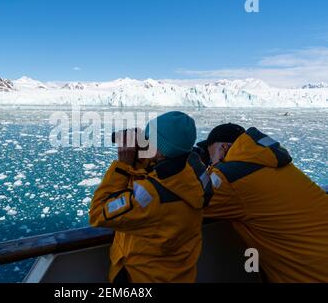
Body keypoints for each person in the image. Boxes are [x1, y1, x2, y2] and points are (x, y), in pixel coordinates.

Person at [89, 111, 213, 283]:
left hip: (142, 278)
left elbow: (97, 213)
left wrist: (123, 165)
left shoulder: (152, 195)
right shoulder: (193, 170)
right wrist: (145, 156)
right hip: (179, 275)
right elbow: (161, 172)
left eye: (149, 139)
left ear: (160, 150)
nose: (144, 141)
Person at [199, 123, 328, 282]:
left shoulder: (231, 178)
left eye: (212, 158)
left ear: (225, 148)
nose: (212, 164)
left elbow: (190, 202)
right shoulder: (274, 162)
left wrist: (196, 168)